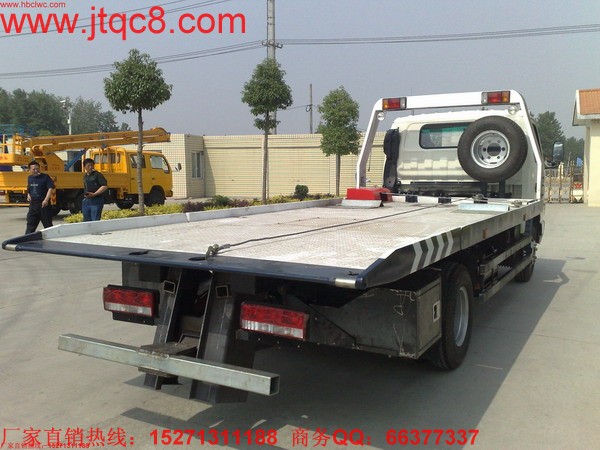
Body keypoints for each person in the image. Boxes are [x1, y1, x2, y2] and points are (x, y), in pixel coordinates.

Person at [26, 160, 55, 234]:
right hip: (33, 205)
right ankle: (27, 239)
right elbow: (29, 188)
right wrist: (28, 195)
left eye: (37, 169)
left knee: (48, 225)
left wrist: (46, 200)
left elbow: (50, 188)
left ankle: (51, 239)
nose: (36, 171)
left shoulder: (45, 177)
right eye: (33, 169)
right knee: (30, 224)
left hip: (43, 205)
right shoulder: (30, 178)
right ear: (29, 170)